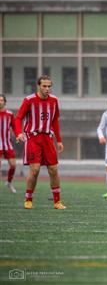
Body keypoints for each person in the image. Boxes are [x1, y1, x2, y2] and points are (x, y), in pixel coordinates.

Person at [15, 75, 66, 210]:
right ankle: (28, 199)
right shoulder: (29, 100)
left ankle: (57, 202)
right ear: (39, 86)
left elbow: (55, 121)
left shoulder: (54, 100)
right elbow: (18, 118)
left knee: (53, 169)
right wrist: (19, 133)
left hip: (48, 139)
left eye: (49, 86)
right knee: (35, 170)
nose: (47, 88)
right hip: (33, 138)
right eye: (44, 86)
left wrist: (59, 140)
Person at [0, 94, 18, 193]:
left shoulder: (9, 114)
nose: (0, 102)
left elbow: (14, 127)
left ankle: (9, 182)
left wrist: (18, 135)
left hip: (7, 144)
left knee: (13, 165)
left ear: (5, 102)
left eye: (1, 100)